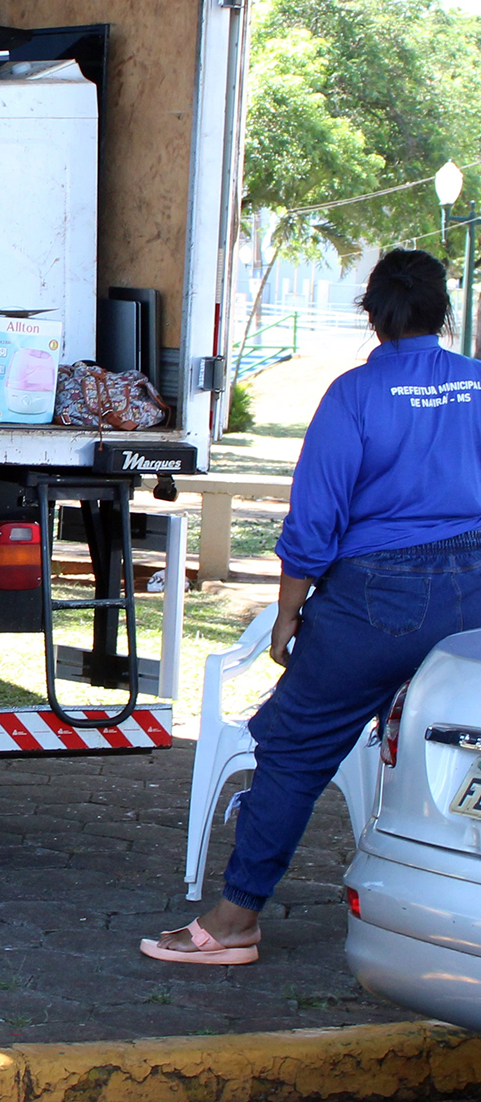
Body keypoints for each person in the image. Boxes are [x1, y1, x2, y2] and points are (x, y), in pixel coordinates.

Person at [145, 249, 481, 965]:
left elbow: (314, 520)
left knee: (293, 748)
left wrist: (291, 612)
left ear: (373, 313)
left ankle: (235, 921)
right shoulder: (478, 384)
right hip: (473, 594)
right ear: (442, 311)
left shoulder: (355, 393)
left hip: (376, 598)